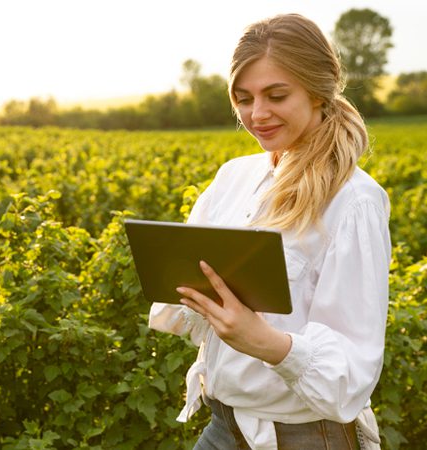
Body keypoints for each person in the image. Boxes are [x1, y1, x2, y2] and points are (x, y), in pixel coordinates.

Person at [148, 13, 391, 450]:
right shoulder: (233, 177)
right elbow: (180, 300)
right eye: (243, 98)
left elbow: (351, 375)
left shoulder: (353, 200)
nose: (256, 114)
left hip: (305, 437)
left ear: (319, 92)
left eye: (276, 95)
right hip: (224, 426)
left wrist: (266, 343)